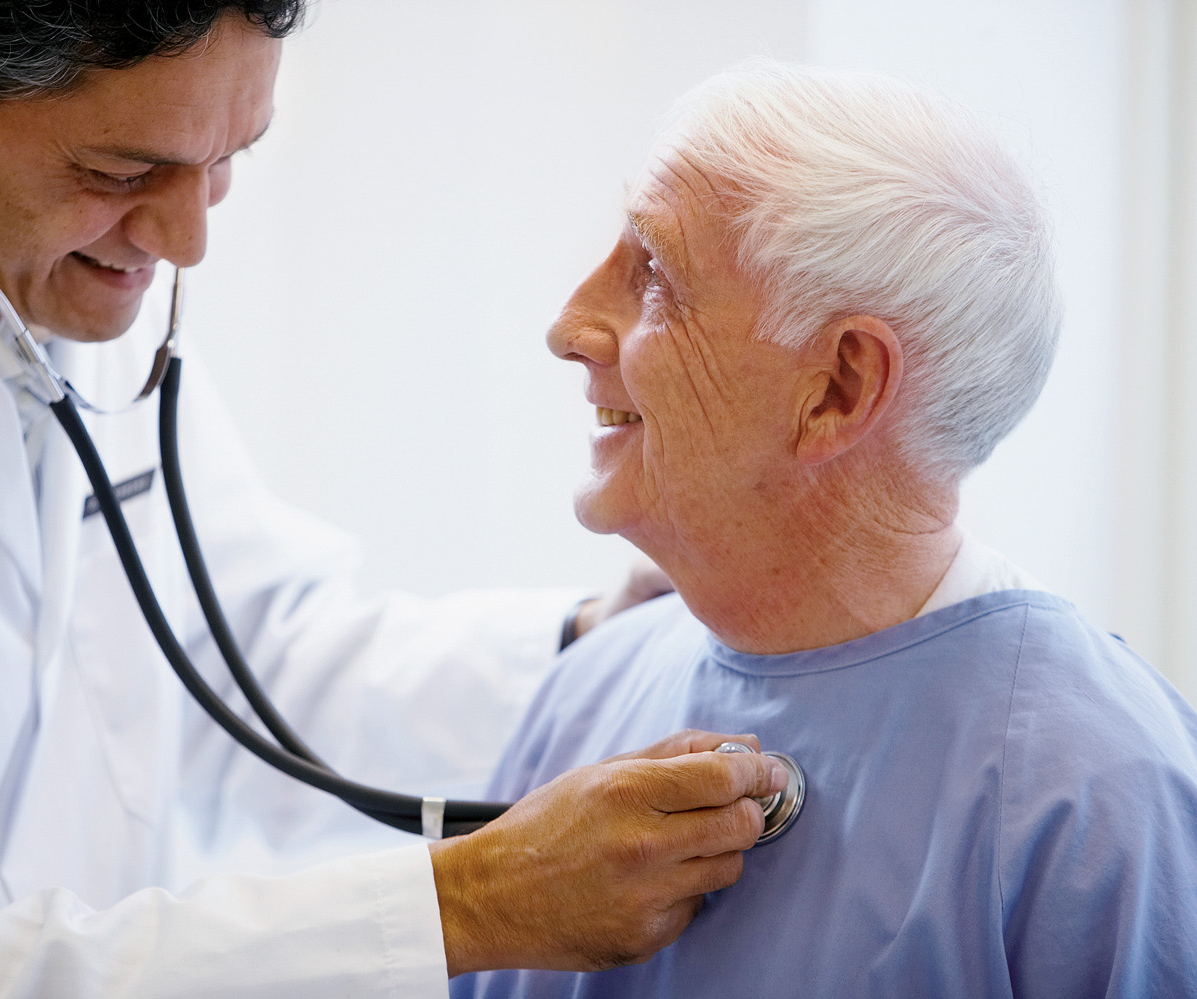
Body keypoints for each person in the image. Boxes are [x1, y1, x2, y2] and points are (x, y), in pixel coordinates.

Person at [0, 4, 793, 997]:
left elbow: (242, 660)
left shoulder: (25, 268)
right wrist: (466, 906)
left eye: (226, 161)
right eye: (126, 174)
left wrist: (588, 645)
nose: (187, 242)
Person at [453, 60, 1197, 999]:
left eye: (654, 276)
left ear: (839, 389)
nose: (567, 327)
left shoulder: (1099, 799)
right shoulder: (584, 698)